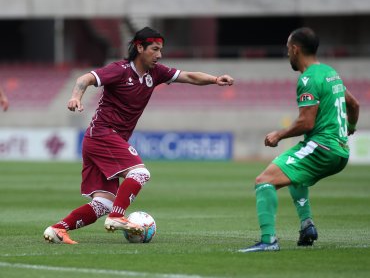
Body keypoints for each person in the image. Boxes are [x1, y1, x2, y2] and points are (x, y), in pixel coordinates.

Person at [43, 26, 234, 244]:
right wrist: (76, 97)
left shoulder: (157, 72)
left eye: (160, 49)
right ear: (139, 47)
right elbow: (84, 79)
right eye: (154, 49)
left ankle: (58, 229)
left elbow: (189, 76)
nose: (159, 55)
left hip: (101, 139)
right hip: (102, 134)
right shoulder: (120, 70)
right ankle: (116, 217)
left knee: (103, 204)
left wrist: (215, 79)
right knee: (140, 173)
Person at [239, 27, 360, 252]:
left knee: (263, 181)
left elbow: (307, 123)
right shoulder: (330, 72)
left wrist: (278, 134)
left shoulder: (308, 79)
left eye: (287, 49)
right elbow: (354, 104)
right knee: (296, 176)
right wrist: (350, 127)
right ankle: (307, 226)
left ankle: (268, 241)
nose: (287, 55)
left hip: (322, 147)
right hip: (340, 150)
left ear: (295, 49)